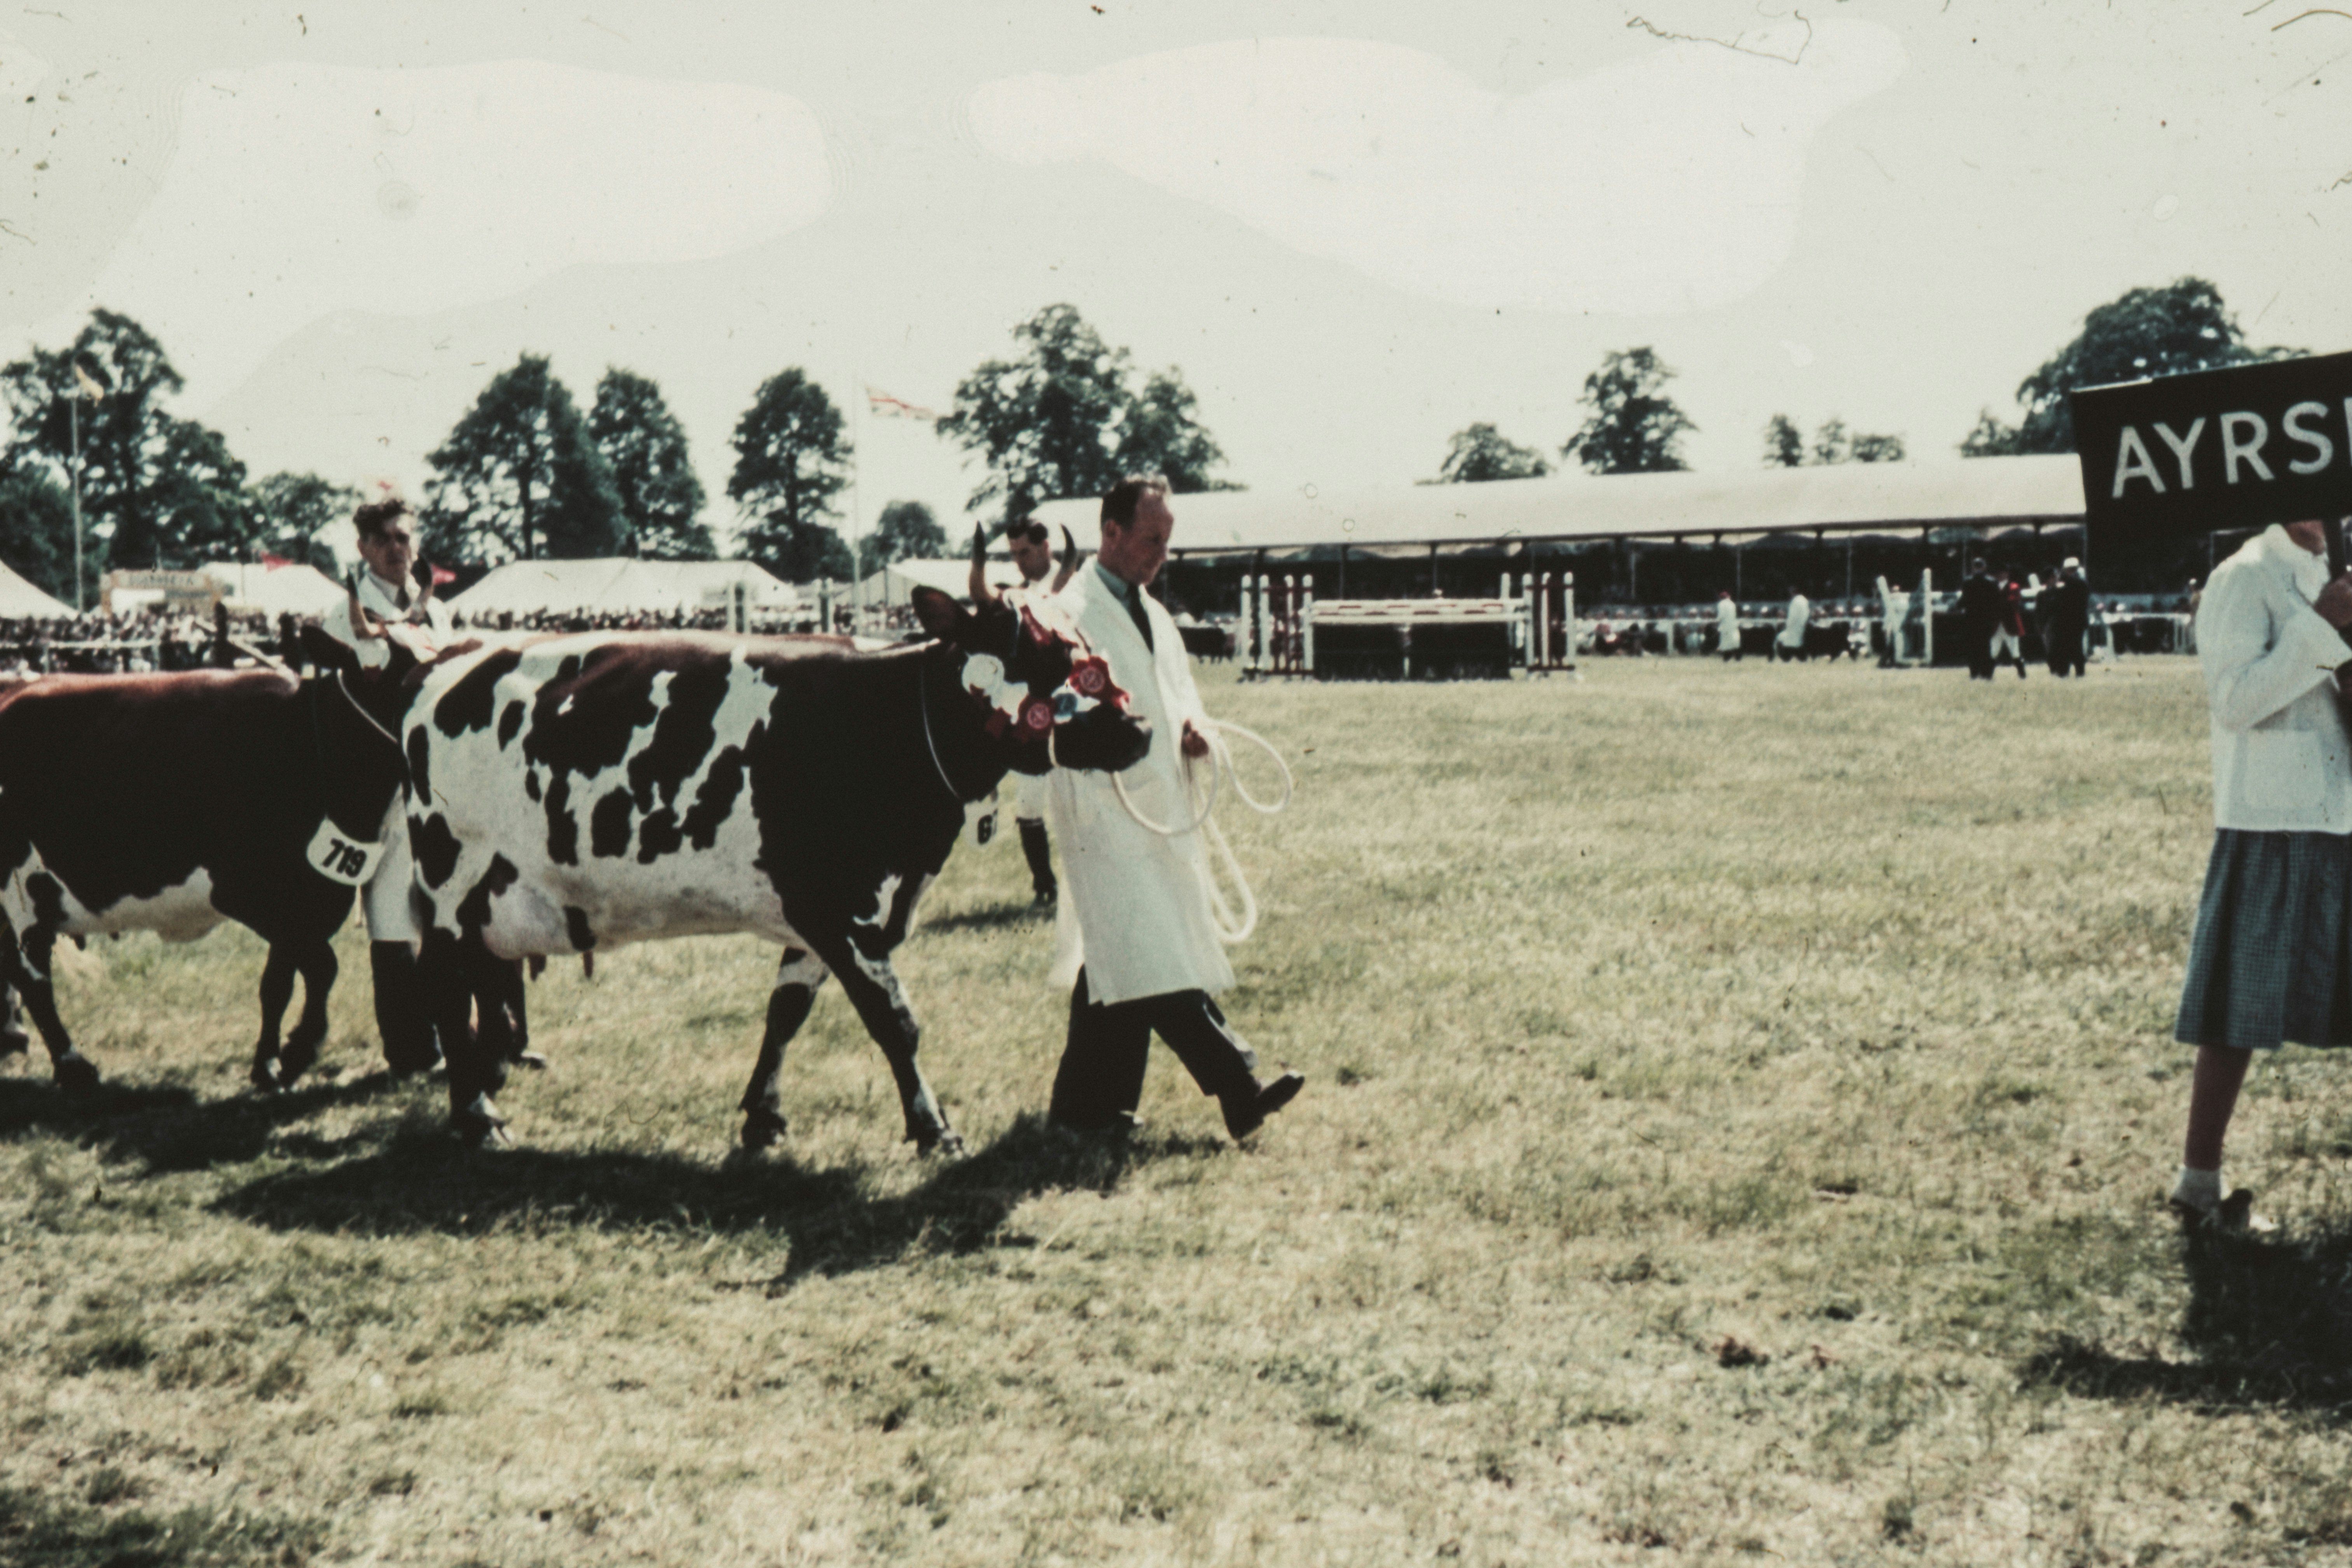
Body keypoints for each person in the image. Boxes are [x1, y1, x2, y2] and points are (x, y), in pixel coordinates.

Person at [1045, 475, 1304, 1142]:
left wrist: (1197, 731)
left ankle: (1086, 1110)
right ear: (1110, 534)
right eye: (1151, 539)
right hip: (1102, 808)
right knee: (1142, 944)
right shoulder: (1067, 611)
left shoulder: (1155, 614)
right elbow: (1056, 709)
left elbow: (1181, 695)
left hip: (1160, 806)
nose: (1160, 554)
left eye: (1167, 542)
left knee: (1120, 955)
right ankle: (1237, 1080)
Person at [2170, 517, 2352, 1231]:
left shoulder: (2326, 572)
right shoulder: (2242, 576)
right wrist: (2321, 627)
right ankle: (2197, 1182)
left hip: (2338, 813)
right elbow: (2236, 701)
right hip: (2270, 817)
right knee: (2237, 1007)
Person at [320, 497, 454, 1075]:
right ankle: (409, 1049)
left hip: (443, 789)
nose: (399, 549)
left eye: (406, 538)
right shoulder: (339, 617)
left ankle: (469, 1035)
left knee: (449, 916)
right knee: (394, 920)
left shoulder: (440, 613)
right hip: (380, 793)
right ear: (364, 548)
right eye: (387, 540)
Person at [1003, 518, 1082, 903]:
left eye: (1026, 552)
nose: (1019, 561)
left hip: (1075, 707)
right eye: (1014, 553)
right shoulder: (1016, 595)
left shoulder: (1076, 586)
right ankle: (1045, 887)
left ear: (1046, 547)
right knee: (1029, 802)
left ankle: (1086, 886)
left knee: (1081, 802)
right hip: (1033, 714)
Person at [2046, 557, 2090, 677]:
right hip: (2076, 622)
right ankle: (2077, 673)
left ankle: (2066, 673)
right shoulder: (2082, 583)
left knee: (2070, 649)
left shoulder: (2071, 583)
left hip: (2069, 621)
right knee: (2074, 649)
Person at [1958, 559, 2001, 680]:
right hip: (1987, 619)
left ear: (1974, 568)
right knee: (1986, 647)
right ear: (1985, 567)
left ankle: (1974, 672)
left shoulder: (1967, 582)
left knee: (1973, 647)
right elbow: (1997, 601)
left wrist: (1957, 606)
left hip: (1972, 619)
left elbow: (1963, 601)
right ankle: (1986, 673)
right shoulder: (1992, 582)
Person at [1990, 573, 2029, 679]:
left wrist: (1996, 604)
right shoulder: (1992, 586)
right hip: (1997, 625)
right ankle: (1988, 677)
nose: (2000, 576)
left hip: (2010, 624)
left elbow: (2013, 602)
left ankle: (2022, 675)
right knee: (1993, 652)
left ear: (2007, 574)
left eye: (2002, 573)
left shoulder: (2014, 586)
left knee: (2015, 653)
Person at [1775, 590, 1810, 662]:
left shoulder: (1795, 602)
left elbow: (1792, 618)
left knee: (1779, 639)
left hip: (1793, 633)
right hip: (1801, 632)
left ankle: (1785, 659)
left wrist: (1788, 626)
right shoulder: (1805, 601)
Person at [1713, 590, 1743, 661]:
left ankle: (1726, 658)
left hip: (1726, 626)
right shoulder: (1732, 604)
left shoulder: (1721, 604)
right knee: (1735, 642)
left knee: (1725, 643)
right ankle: (1737, 658)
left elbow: (1721, 616)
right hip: (1733, 626)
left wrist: (1716, 621)